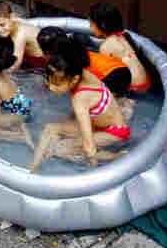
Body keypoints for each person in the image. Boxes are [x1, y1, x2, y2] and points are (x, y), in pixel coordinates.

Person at [30, 37, 130, 171]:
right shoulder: (82, 71)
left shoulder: (80, 100)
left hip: (114, 132)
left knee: (60, 149)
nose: (51, 87)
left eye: (56, 84)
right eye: (49, 80)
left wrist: (93, 169)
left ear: (74, 79)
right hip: (100, 122)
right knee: (50, 128)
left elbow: (89, 146)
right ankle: (33, 167)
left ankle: (114, 157)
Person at [37, 25, 132, 97]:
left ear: (50, 52)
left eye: (44, 51)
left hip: (114, 75)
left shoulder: (67, 61)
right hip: (120, 69)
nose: (42, 55)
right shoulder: (73, 49)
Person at [89, 3, 151, 93]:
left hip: (133, 89)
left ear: (103, 25)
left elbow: (103, 76)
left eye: (91, 24)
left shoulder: (106, 47)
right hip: (146, 83)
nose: (90, 28)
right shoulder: (124, 37)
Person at [0, 0, 44, 71]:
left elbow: (16, 64)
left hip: (40, 62)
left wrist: (1, 74)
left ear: (12, 17)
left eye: (2, 25)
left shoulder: (19, 35)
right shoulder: (14, 20)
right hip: (31, 53)